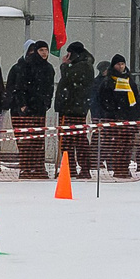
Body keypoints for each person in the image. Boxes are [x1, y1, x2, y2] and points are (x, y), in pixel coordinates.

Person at [2, 39, 55, 178]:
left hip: (40, 109)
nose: (44, 53)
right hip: (25, 110)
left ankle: (38, 168)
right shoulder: (24, 67)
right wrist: (22, 105)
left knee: (38, 140)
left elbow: (49, 88)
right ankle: (26, 167)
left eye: (45, 50)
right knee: (25, 140)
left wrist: (46, 102)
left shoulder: (48, 68)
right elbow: (18, 88)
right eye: (40, 50)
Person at [90, 53, 140, 179]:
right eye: (118, 64)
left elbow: (136, 99)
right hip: (115, 120)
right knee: (117, 146)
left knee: (127, 146)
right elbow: (104, 101)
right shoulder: (108, 82)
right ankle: (119, 168)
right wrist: (113, 113)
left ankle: (124, 167)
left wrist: (135, 115)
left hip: (129, 120)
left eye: (122, 64)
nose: (121, 66)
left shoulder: (129, 81)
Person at [50, 40, 94, 179]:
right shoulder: (83, 64)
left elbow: (69, 77)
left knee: (72, 141)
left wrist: (64, 65)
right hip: (73, 108)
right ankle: (71, 168)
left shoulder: (82, 66)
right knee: (72, 140)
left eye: (69, 53)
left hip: (72, 108)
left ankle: (79, 168)